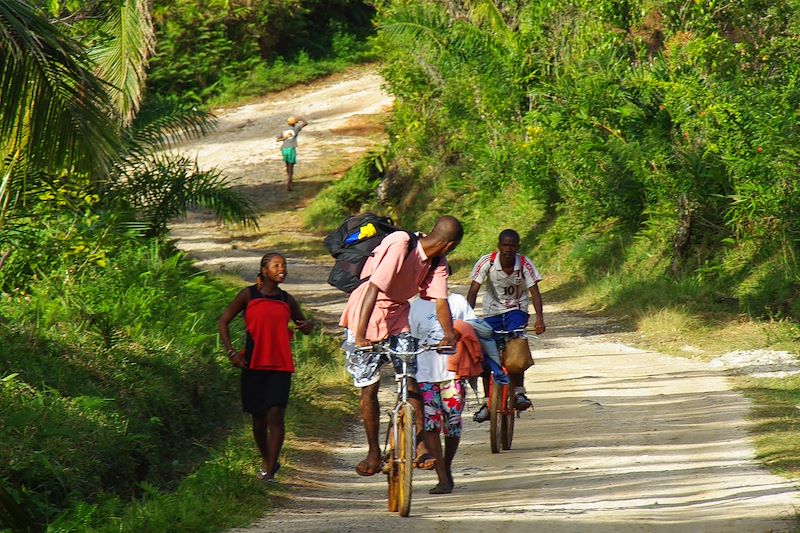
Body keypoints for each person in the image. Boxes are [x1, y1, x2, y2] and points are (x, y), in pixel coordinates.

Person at [340, 215, 463, 478]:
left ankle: (418, 444)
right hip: (366, 311)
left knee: (410, 377)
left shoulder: (437, 262)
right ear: (450, 245)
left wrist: (449, 333)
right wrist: (360, 335)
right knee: (368, 388)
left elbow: (441, 301)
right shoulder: (401, 243)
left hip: (397, 315)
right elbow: (373, 288)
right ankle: (374, 451)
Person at [218, 252, 314, 482]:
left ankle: (269, 471)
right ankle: (267, 458)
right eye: (277, 265)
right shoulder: (248, 295)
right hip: (253, 363)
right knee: (259, 420)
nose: (282, 269)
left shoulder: (286, 299)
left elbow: (305, 327)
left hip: (280, 365)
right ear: (264, 270)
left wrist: (307, 325)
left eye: (284, 265)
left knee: (276, 414)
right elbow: (223, 321)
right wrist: (231, 352)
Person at [466, 229, 545, 422]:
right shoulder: (487, 262)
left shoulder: (524, 264)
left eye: (512, 245)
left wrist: (539, 319)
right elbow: (473, 290)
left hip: (516, 310)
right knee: (484, 356)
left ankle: (519, 392)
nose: (508, 249)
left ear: (517, 247)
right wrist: (467, 317)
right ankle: (487, 402)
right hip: (492, 312)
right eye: (505, 245)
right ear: (499, 246)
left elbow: (535, 292)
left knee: (516, 346)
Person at [409, 293, 476, 494]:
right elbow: (410, 338)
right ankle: (443, 477)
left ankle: (446, 465)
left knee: (453, 424)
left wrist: (456, 334)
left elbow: (472, 328)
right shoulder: (415, 306)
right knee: (430, 424)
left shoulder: (457, 301)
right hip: (425, 375)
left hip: (453, 372)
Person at [275, 116, 308, 191]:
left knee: (287, 166)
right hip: (291, 149)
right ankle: (289, 184)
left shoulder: (283, 131)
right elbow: (306, 123)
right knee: (291, 167)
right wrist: (300, 119)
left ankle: (289, 181)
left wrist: (285, 138)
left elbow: (277, 139)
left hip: (284, 149)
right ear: (295, 123)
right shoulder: (296, 129)